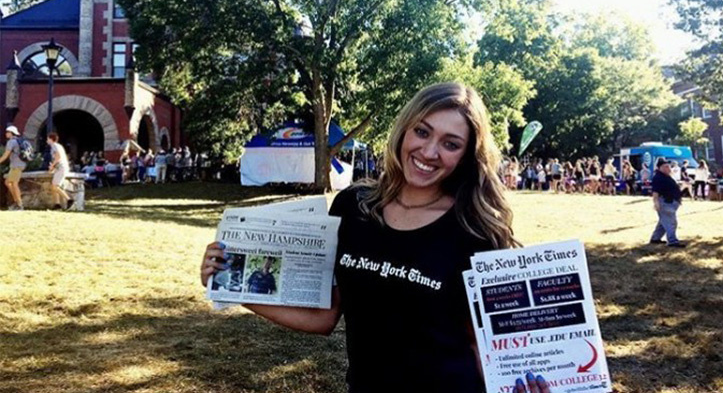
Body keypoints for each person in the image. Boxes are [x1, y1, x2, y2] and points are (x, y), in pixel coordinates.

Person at [200, 83, 550, 393]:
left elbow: (482, 345)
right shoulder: (353, 206)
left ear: (466, 156)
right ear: (403, 131)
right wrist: (232, 287)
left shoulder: (476, 230)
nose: (429, 152)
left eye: (451, 143)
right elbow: (325, 316)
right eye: (422, 132)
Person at [649, 157, 685, 248]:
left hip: (671, 202)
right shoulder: (658, 178)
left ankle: (655, 238)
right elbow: (655, 192)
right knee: (671, 222)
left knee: (663, 222)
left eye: (668, 166)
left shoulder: (667, 176)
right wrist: (656, 203)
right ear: (659, 168)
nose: (668, 168)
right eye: (665, 167)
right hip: (665, 202)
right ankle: (672, 241)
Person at [0, 125, 26, 210]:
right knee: (8, 182)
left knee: (14, 184)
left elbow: (5, 155)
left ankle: (19, 205)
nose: (6, 133)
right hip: (19, 165)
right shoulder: (18, 140)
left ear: (11, 133)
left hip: (16, 165)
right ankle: (16, 202)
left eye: (7, 132)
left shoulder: (11, 142)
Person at [47, 132, 73, 210]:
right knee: (54, 186)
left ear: (51, 139)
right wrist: (54, 167)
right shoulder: (58, 146)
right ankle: (57, 204)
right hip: (60, 167)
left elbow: (58, 157)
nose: (46, 140)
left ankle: (69, 199)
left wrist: (52, 166)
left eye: (47, 139)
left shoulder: (54, 145)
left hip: (61, 168)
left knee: (55, 186)